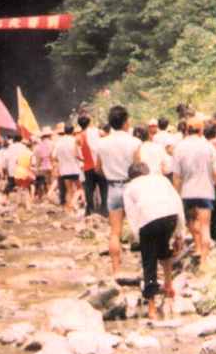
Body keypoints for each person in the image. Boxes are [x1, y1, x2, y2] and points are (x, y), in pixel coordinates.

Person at [123, 162, 185, 320]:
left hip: (148, 220)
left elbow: (132, 216)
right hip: (170, 215)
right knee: (164, 249)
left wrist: (139, 239)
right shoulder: (161, 179)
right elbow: (178, 202)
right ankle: (169, 286)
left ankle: (151, 307)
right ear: (147, 171)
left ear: (131, 177)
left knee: (149, 261)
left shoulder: (129, 188)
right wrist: (179, 234)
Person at [172, 116, 216, 269]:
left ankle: (198, 247)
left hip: (187, 193)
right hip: (205, 192)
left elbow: (176, 176)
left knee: (191, 224)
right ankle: (204, 260)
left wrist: (176, 195)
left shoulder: (179, 147)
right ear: (201, 130)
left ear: (187, 130)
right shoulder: (209, 147)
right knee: (205, 226)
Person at [95, 105, 142, 277]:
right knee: (141, 227)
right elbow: (138, 168)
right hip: (132, 186)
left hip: (113, 187)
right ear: (125, 121)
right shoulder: (135, 142)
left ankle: (116, 271)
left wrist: (109, 173)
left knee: (115, 232)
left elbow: (97, 169)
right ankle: (145, 268)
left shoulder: (102, 143)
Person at [76, 115, 103, 216]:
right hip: (99, 166)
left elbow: (75, 154)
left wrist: (84, 159)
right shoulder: (98, 132)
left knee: (89, 190)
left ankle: (90, 211)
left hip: (88, 167)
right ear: (90, 122)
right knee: (103, 188)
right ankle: (104, 210)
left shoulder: (79, 137)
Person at [53, 124, 82, 212]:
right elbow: (78, 154)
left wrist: (61, 161)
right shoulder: (74, 141)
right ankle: (73, 204)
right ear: (73, 131)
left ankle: (69, 210)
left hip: (64, 170)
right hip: (75, 168)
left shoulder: (59, 142)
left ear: (64, 131)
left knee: (69, 190)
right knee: (80, 189)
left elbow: (54, 156)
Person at [33, 128, 54, 200]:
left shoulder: (39, 145)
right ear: (49, 135)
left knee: (47, 182)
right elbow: (53, 155)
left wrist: (37, 167)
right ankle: (50, 197)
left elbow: (38, 158)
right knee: (52, 182)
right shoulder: (53, 143)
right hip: (52, 165)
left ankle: (47, 197)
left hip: (43, 166)